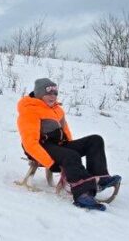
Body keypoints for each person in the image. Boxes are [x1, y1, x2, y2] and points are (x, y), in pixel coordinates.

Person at [16, 78, 120, 210]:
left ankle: (99, 178)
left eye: (55, 93)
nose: (53, 96)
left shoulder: (57, 109)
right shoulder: (30, 110)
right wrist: (50, 164)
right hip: (41, 147)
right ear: (39, 94)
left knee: (95, 140)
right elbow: (30, 143)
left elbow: (65, 131)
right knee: (70, 156)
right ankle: (82, 195)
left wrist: (72, 147)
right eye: (48, 93)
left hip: (58, 145)